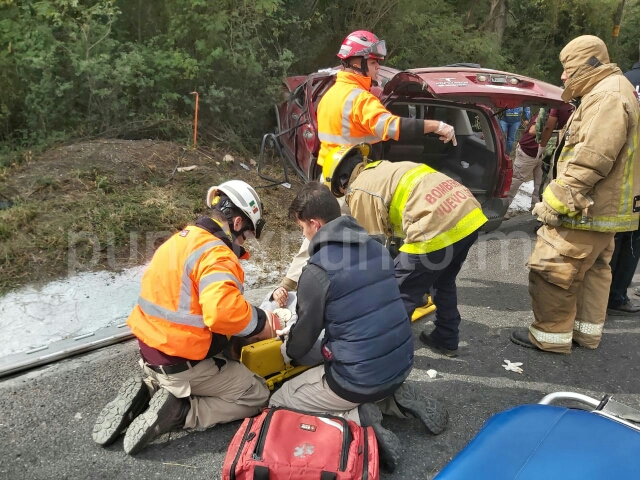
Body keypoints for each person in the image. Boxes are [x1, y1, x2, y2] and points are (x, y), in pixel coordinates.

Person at [269, 182, 449, 473]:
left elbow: (303, 341)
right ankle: (390, 400)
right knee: (349, 341)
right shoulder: (378, 249)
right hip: (401, 363)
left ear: (314, 224)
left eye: (302, 227)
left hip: (357, 379)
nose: (303, 233)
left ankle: (356, 416)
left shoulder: (316, 271)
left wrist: (286, 351)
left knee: (280, 400)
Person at [92, 180, 282, 455]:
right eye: (246, 236)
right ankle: (181, 410)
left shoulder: (179, 241)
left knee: (216, 354)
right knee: (256, 394)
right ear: (238, 222)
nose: (242, 244)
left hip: (150, 350)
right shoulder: (217, 253)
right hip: (180, 363)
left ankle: (149, 388)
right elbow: (222, 312)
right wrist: (263, 323)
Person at [272, 29, 457, 307]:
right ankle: (393, 293)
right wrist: (436, 125)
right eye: (374, 62)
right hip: (352, 184)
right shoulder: (359, 98)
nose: (378, 67)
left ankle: (289, 286)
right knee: (376, 237)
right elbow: (391, 127)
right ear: (356, 61)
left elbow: (356, 133)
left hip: (328, 178)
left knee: (316, 235)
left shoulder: (331, 95)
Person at [510, 35, 640, 354]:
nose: (563, 76)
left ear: (586, 64)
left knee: (553, 269)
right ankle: (585, 333)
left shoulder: (607, 95)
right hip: (603, 210)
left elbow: (592, 157)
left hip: (586, 206)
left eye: (567, 68)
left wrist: (555, 199)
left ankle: (549, 335)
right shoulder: (614, 89)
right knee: (593, 271)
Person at [322, 143, 487, 358]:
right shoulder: (385, 168)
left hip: (435, 226)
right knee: (443, 280)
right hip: (468, 214)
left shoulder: (359, 191)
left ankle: (388, 355)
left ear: (340, 184)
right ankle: (445, 337)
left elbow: (370, 248)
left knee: (397, 293)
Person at [606, 41, 640, 316]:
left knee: (613, 236)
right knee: (634, 238)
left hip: (617, 173)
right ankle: (617, 295)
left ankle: (602, 292)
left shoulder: (620, 83)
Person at [504, 112, 542, 216]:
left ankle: (537, 208)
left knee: (540, 183)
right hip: (527, 152)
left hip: (542, 154)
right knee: (516, 180)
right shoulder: (548, 114)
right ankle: (503, 209)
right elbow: (533, 130)